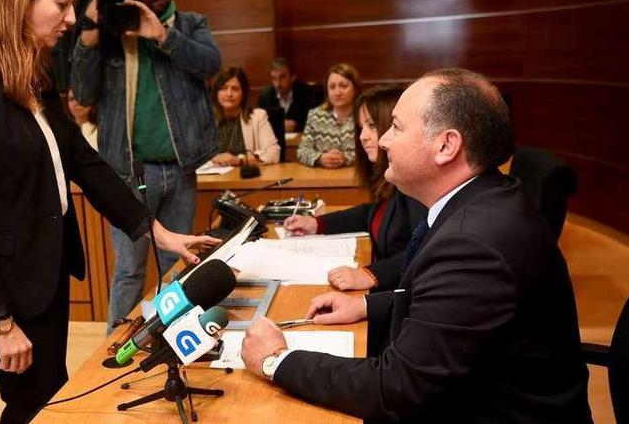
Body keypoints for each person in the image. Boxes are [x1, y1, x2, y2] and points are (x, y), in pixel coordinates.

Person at [0, 0, 219, 423]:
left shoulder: (29, 63)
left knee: (48, 397)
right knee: (35, 403)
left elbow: (81, 159)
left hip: (39, 267)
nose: (72, 19)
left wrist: (155, 230)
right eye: (61, 5)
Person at [242, 68, 592, 423]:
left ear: (446, 145)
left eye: (396, 127)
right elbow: (446, 312)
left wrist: (277, 361)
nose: (381, 141)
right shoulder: (482, 200)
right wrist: (368, 306)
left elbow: (396, 389)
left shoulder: (471, 245)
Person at [71, 0, 221, 328]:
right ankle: (114, 348)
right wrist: (89, 30)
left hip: (180, 169)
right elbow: (83, 93)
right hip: (127, 172)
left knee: (178, 266)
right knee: (129, 271)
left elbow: (211, 64)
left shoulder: (190, 24)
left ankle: (174, 339)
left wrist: (163, 35)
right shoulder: (109, 35)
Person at [283, 87, 426, 291]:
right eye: (361, 128)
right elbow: (371, 214)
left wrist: (371, 274)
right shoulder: (389, 181)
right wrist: (317, 223)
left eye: (371, 126)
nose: (363, 137)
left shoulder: (414, 186)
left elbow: (422, 250)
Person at [211, 66, 281, 166]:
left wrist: (241, 160)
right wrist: (214, 158)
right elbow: (193, 155)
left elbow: (274, 152)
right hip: (212, 180)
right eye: (223, 88)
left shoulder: (258, 117)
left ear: (243, 93)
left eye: (235, 89)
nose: (229, 93)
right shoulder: (205, 120)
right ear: (216, 92)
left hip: (246, 178)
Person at [296, 63, 359, 168]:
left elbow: (374, 152)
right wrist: (320, 158)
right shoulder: (315, 116)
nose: (337, 92)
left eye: (343, 86)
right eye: (332, 87)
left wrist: (346, 158)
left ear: (355, 89)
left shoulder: (365, 116)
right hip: (323, 178)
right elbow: (302, 151)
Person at [257, 58, 322, 134]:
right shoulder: (265, 96)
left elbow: (314, 123)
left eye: (282, 78)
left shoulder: (306, 92)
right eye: (274, 79)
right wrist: (279, 126)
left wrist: (296, 126)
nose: (277, 84)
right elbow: (260, 125)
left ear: (292, 77)